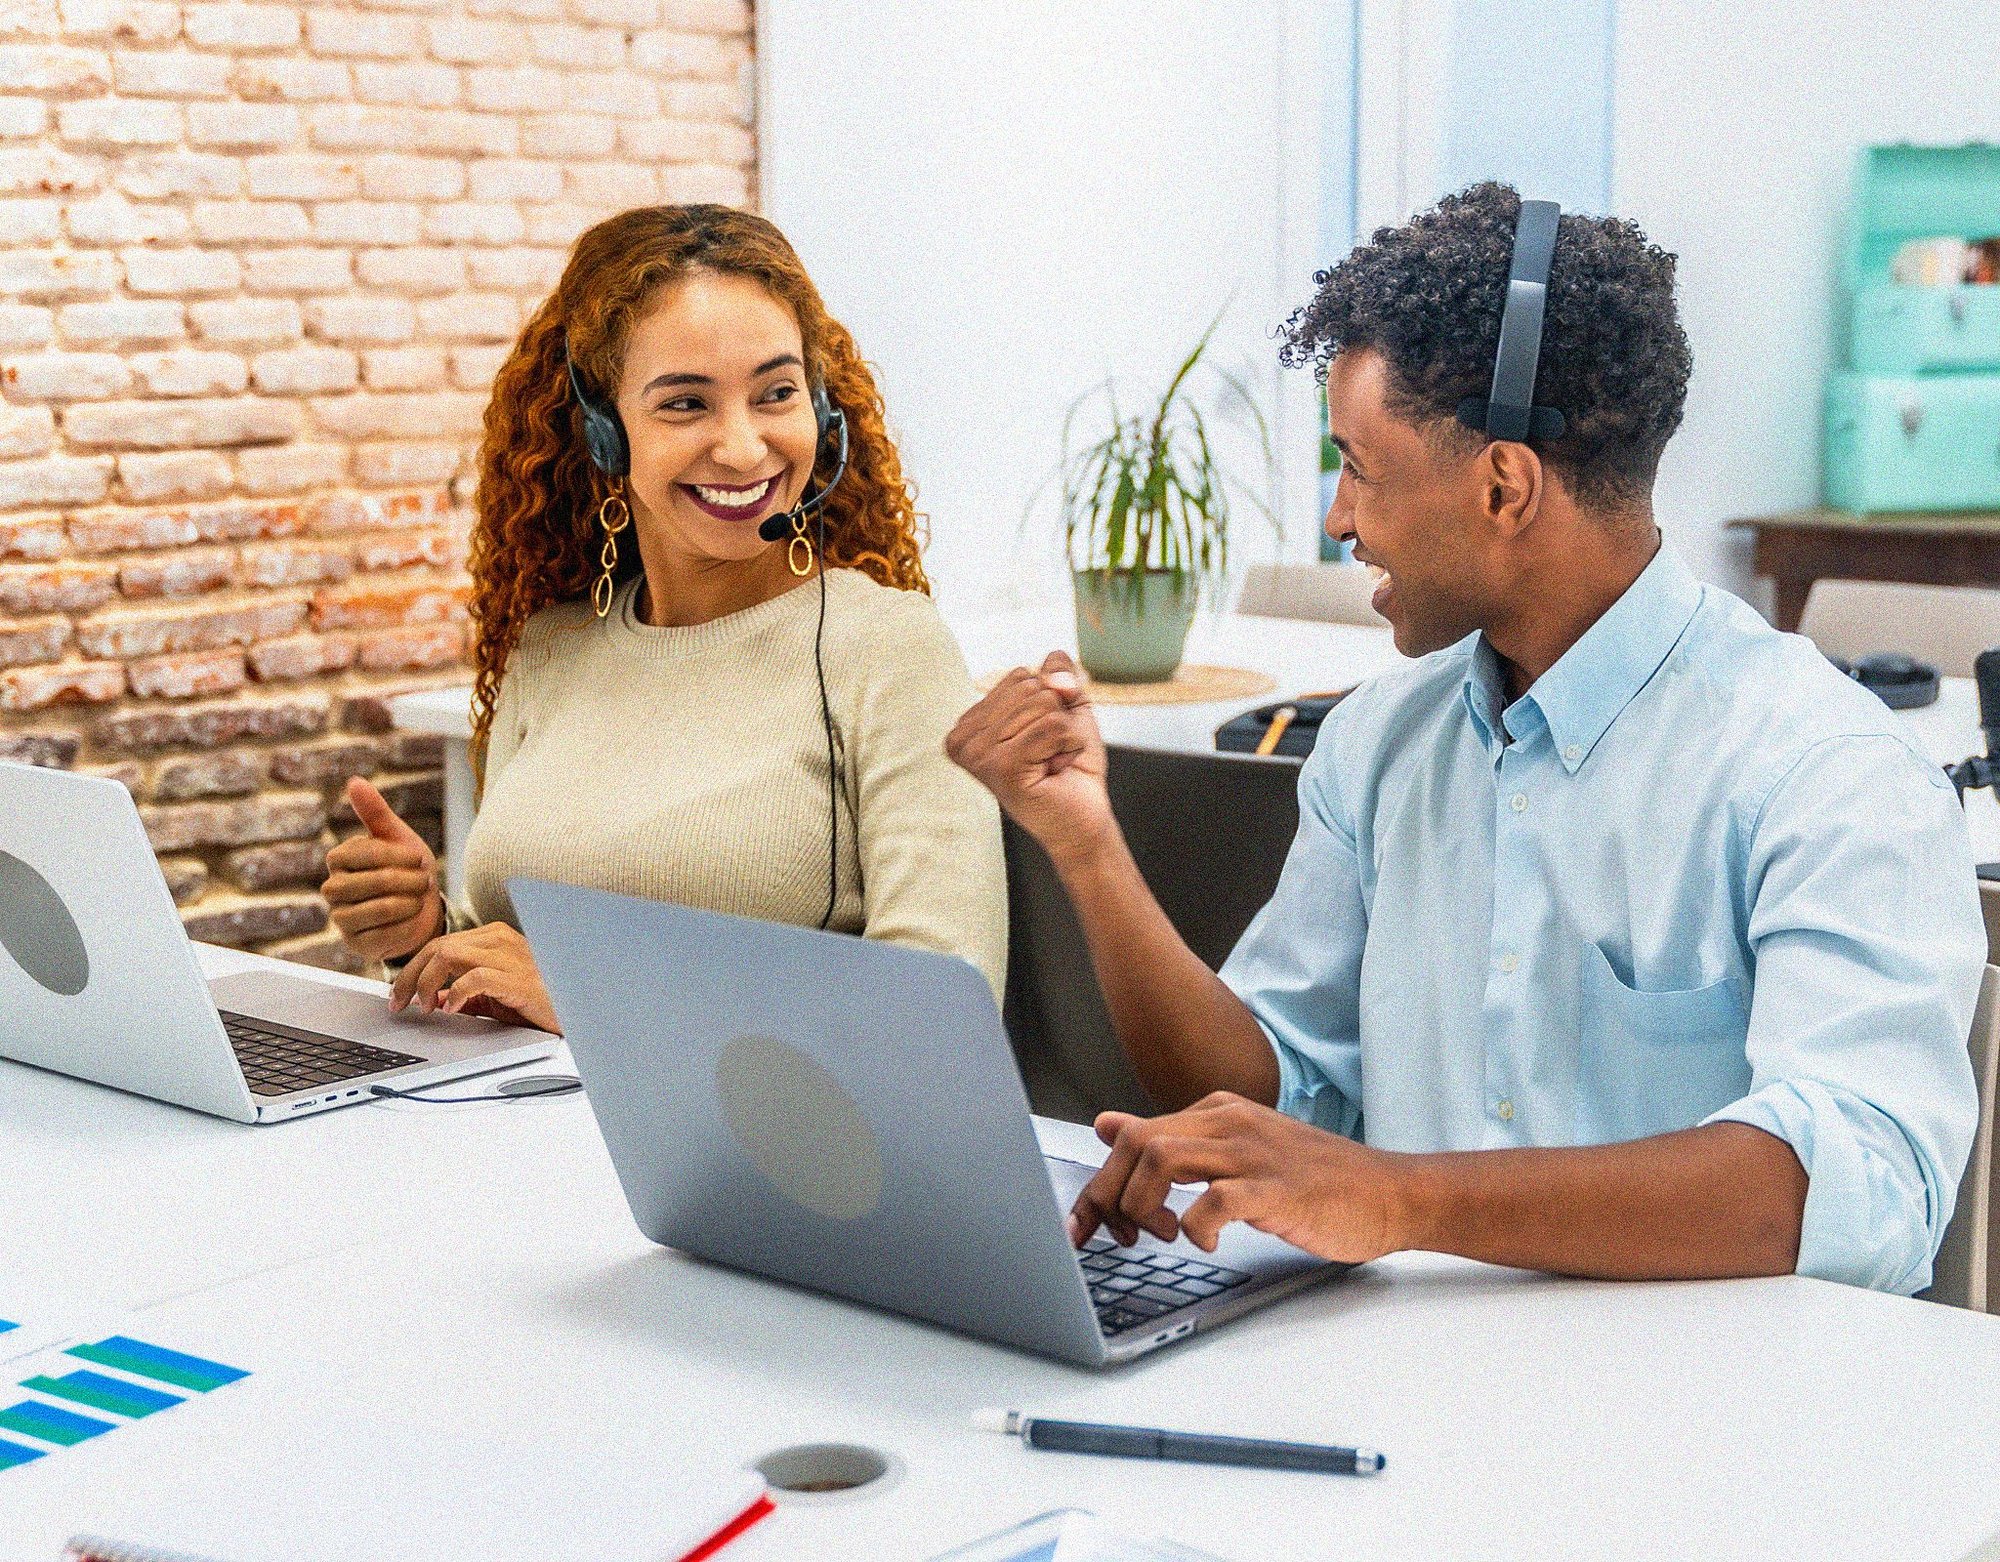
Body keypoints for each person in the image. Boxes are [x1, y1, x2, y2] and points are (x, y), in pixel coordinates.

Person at [946, 183, 1984, 1295]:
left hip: (1704, 1425)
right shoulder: (1379, 741)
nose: (1339, 518)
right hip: (1409, 1382)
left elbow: (1857, 1186)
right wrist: (1085, 846)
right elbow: (1263, 1090)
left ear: (1502, 485)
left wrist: (1399, 1197)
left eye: (1359, 466)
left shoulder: (1821, 768)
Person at [322, 205, 1006, 1029]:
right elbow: (516, 967)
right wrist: (423, 932)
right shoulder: (552, 647)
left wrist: (596, 998)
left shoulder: (889, 652)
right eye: (686, 404)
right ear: (605, 432)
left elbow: (936, 1012)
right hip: (513, 1125)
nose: (745, 447)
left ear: (823, 413)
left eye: (776, 394)